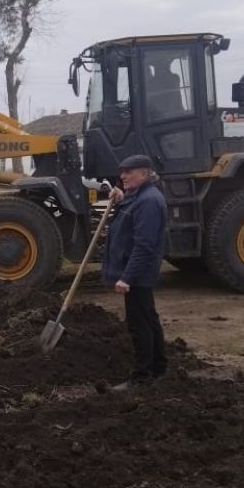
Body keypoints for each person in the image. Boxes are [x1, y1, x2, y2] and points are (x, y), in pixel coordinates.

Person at [101, 154, 168, 390]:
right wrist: (121, 198)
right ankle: (159, 368)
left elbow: (144, 245)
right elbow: (131, 212)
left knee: (139, 323)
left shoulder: (149, 201)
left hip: (138, 273)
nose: (122, 176)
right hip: (139, 271)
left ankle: (142, 377)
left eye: (129, 172)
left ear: (144, 173)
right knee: (149, 318)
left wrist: (127, 277)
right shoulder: (141, 196)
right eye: (123, 171)